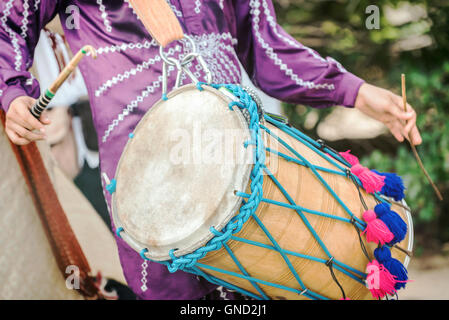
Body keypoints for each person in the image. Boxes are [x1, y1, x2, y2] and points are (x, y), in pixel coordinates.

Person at [0, 1, 421, 300]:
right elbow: (10, 22)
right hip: (147, 181)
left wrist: (357, 92)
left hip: (246, 163)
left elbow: (267, 49)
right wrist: (13, 91)